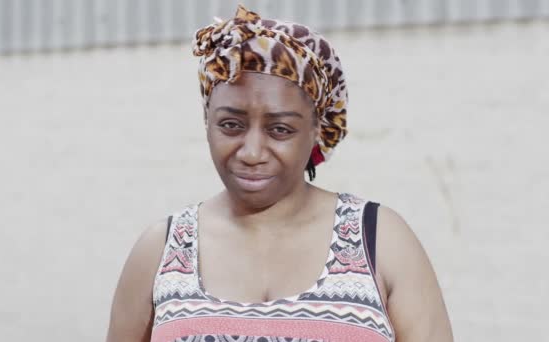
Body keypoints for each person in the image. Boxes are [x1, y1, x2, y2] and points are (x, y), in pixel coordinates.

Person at [106, 5, 453, 342]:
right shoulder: (161, 251)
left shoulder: (380, 242)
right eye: (231, 125)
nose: (252, 152)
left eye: (280, 129)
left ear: (318, 129)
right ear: (206, 121)